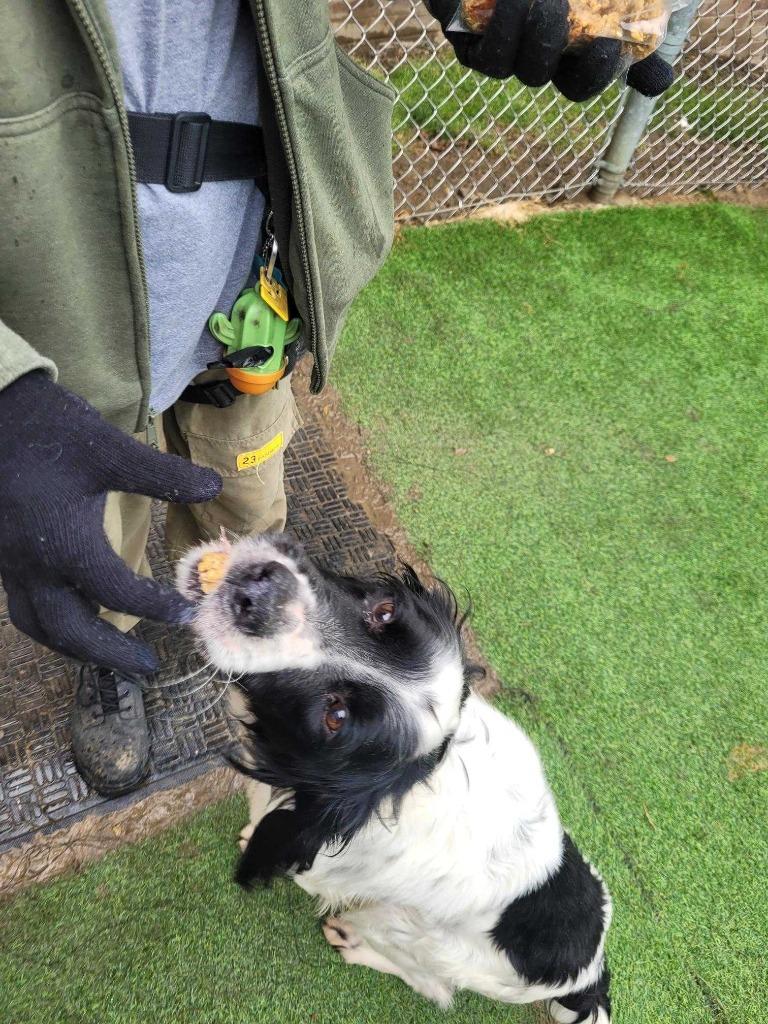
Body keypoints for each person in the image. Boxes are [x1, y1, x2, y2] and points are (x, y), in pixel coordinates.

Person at [0, 0, 672, 798]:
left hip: (246, 308)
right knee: (93, 538)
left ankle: (246, 615)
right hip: (58, 332)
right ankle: (107, 652)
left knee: (247, 506)